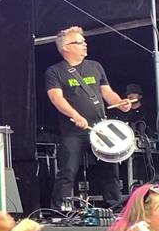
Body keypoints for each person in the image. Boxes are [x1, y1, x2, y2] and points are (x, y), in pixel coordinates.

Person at [44, 26, 131, 209]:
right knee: (68, 170)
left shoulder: (95, 66)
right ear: (66, 47)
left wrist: (121, 103)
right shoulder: (54, 71)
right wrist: (75, 115)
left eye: (84, 41)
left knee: (110, 169)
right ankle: (60, 209)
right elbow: (56, 98)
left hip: (100, 126)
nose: (85, 44)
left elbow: (107, 93)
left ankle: (114, 207)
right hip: (73, 130)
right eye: (79, 42)